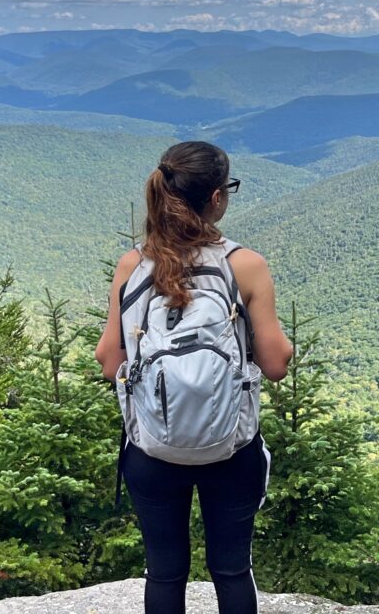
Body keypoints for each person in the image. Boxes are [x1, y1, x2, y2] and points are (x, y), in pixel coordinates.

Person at [95, 140, 293, 614]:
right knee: (230, 568)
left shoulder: (132, 265)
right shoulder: (244, 265)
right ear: (217, 198)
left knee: (164, 572)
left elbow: (107, 361)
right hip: (232, 447)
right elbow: (276, 364)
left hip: (152, 450)